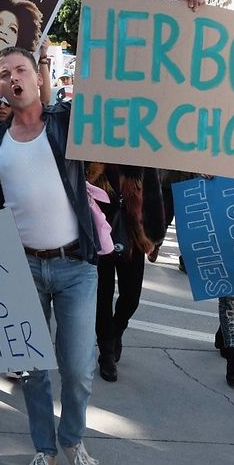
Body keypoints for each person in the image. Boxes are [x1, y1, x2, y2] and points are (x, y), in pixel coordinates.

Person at [0, 46, 102, 465]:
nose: (12, 78)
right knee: (33, 368)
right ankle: (44, 449)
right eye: (2, 74)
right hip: (22, 268)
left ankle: (73, 441)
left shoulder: (66, 122)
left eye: (20, 70)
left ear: (38, 77)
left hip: (75, 266)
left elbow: (118, 100)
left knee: (77, 369)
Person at [87, 162, 164, 382]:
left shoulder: (140, 153)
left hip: (133, 234)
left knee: (131, 297)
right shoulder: (93, 150)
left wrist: (156, 231)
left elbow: (154, 191)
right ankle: (107, 353)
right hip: (99, 231)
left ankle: (116, 330)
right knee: (102, 295)